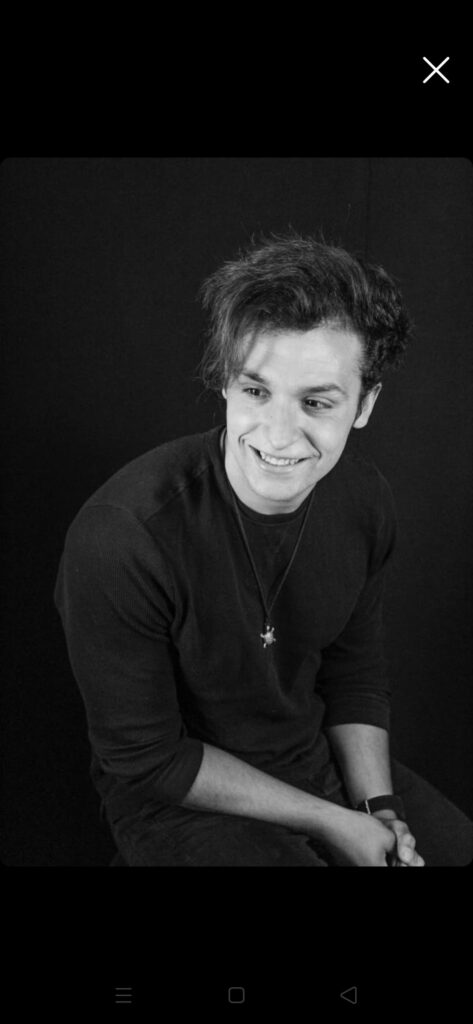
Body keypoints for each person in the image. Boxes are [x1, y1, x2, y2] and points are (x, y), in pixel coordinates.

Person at [54, 233, 473, 867]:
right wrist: (333, 823)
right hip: (177, 801)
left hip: (314, 765)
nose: (278, 435)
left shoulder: (364, 499)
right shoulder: (122, 535)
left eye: (316, 402)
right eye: (255, 392)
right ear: (226, 382)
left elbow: (355, 677)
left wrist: (378, 811)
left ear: (365, 404)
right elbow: (149, 760)